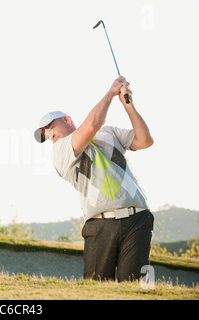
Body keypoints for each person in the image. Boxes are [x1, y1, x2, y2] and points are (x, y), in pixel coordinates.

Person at [34, 76, 154, 281]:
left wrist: (128, 105)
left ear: (66, 120)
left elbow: (145, 141)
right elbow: (91, 125)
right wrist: (110, 93)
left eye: (50, 129)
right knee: (97, 288)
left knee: (134, 288)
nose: (49, 136)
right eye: (46, 136)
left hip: (138, 219)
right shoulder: (60, 150)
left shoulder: (108, 133)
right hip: (100, 225)